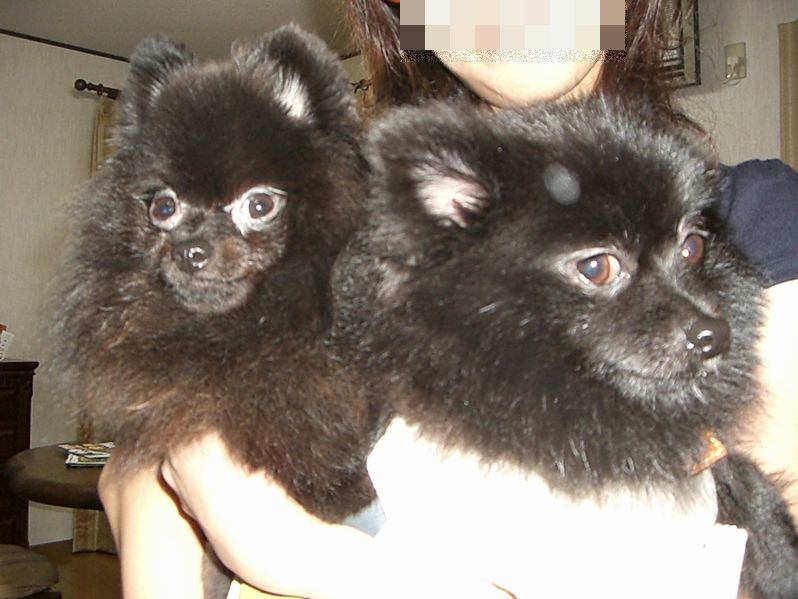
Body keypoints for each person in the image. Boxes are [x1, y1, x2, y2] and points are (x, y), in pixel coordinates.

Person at [99, 0, 798, 597]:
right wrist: (173, 480)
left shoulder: (755, 222)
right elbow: (154, 447)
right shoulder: (330, 217)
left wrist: (307, 555)